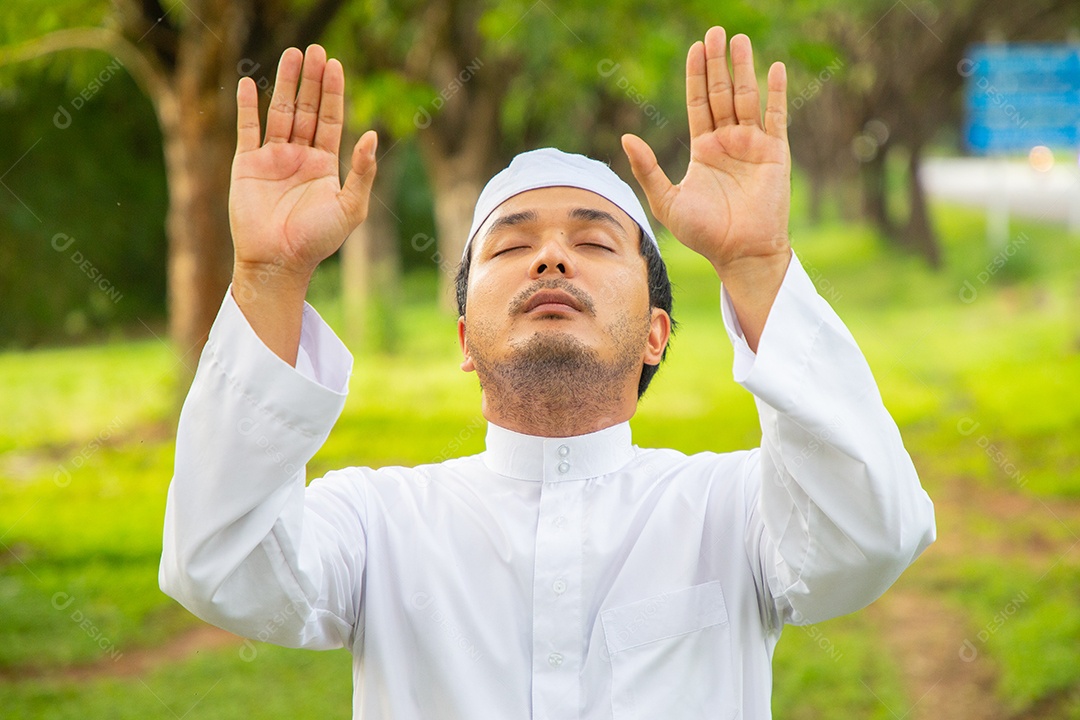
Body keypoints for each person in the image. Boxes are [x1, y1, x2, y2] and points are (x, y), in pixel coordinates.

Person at [159, 26, 935, 720]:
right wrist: (269, 277)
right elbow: (220, 566)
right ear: (466, 338)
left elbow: (871, 537)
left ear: (656, 334)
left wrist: (759, 264)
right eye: (509, 245)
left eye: (594, 243)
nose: (552, 257)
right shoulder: (379, 524)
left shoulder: (730, 511)